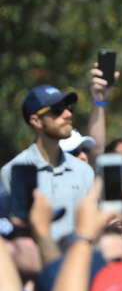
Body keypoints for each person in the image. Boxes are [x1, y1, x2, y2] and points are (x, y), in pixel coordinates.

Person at [1, 85, 94, 241]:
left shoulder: (84, 170)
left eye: (68, 107)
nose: (68, 114)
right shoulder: (12, 171)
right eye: (57, 109)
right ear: (36, 121)